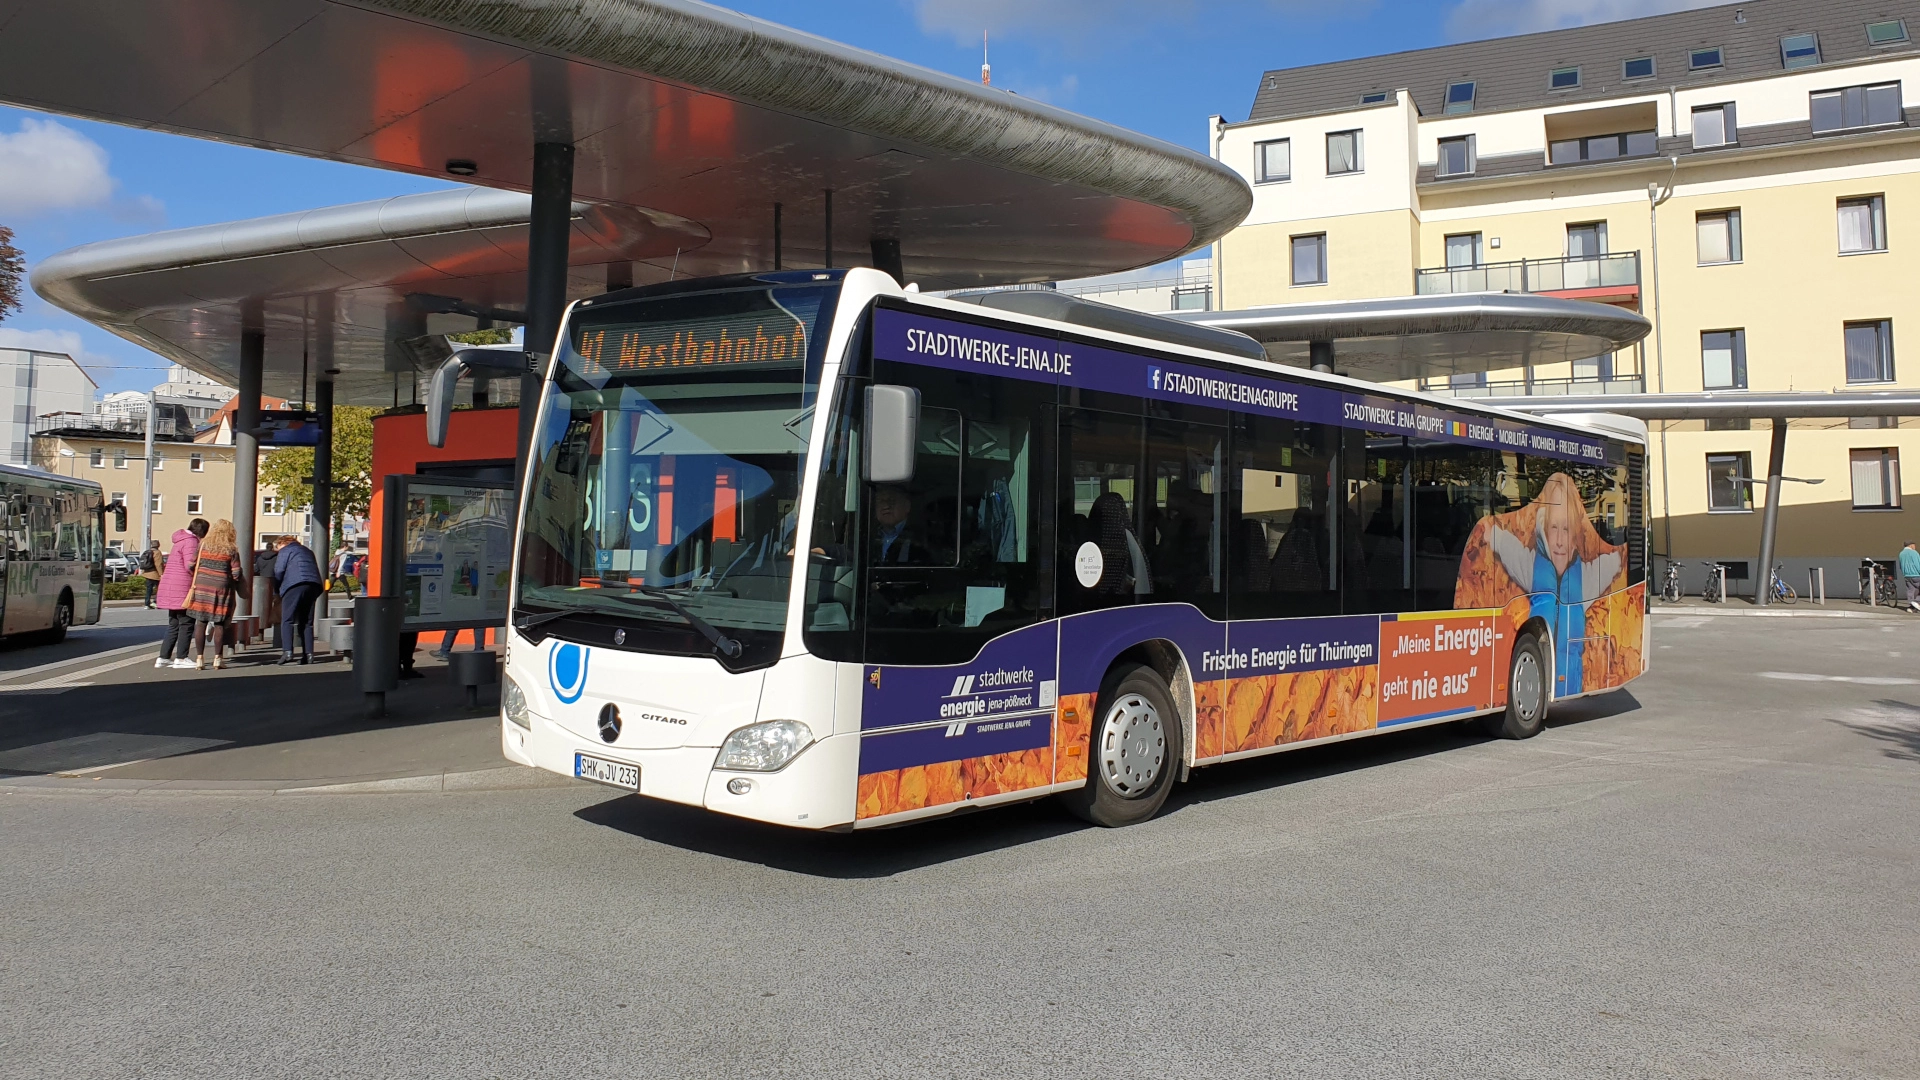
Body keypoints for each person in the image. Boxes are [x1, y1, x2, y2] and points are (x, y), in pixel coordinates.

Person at [184, 519, 244, 670]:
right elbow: (236, 573)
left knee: (201, 622)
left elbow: (191, 564)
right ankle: (218, 658)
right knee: (219, 624)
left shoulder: (203, 545)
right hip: (222, 588)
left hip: (202, 587)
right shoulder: (231, 549)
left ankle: (199, 659)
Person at [154, 519, 207, 669]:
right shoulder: (191, 542)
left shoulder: (179, 540)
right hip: (182, 587)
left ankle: (163, 657)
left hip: (171, 587)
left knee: (174, 624)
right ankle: (181, 657)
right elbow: (190, 565)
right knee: (187, 623)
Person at [272, 533, 323, 664]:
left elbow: (279, 571)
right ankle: (309, 654)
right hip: (313, 585)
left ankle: (287, 652)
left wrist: (276, 590)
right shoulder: (307, 551)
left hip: (293, 584)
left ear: (282, 543)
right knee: (306, 621)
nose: (277, 551)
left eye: (276, 547)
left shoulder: (285, 550)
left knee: (287, 619)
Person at [138, 539, 163, 609]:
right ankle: (155, 602)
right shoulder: (157, 552)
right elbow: (158, 564)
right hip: (154, 574)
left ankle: (147, 604)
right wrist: (161, 574)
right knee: (160, 588)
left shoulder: (148, 552)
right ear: (158, 545)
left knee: (149, 589)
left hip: (147, 573)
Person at [1899, 541, 1920, 614]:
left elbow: (1900, 565)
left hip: (1907, 575)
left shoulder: (1901, 554)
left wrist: (1904, 573)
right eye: (1914, 545)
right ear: (1911, 545)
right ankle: (1916, 601)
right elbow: (1918, 564)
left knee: (1911, 590)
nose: (1915, 547)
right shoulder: (1914, 553)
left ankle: (1911, 607)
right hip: (1916, 574)